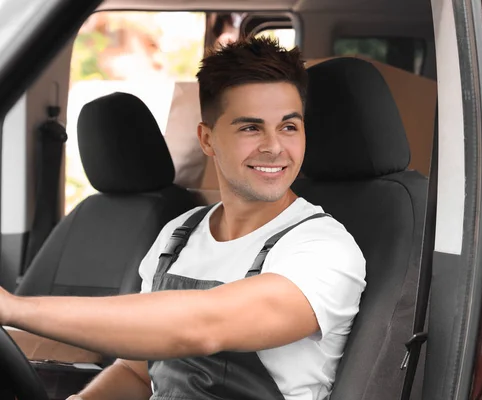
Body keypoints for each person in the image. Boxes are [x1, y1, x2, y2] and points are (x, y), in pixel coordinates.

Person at [0, 37, 366, 400]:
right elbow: (136, 372)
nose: (274, 147)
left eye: (289, 127)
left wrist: (14, 309)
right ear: (207, 140)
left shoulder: (325, 248)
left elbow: (203, 326)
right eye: (251, 128)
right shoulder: (179, 233)